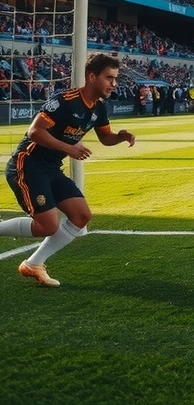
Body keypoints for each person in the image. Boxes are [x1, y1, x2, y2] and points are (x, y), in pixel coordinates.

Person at [0, 53, 136, 287]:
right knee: (48, 226)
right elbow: (35, 132)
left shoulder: (99, 108)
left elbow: (105, 138)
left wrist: (120, 137)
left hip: (52, 168)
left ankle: (33, 264)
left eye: (115, 79)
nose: (113, 84)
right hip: (28, 164)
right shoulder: (64, 100)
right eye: (109, 78)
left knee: (81, 216)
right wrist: (69, 148)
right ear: (92, 77)